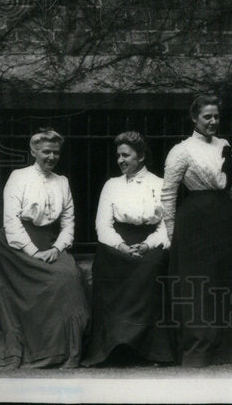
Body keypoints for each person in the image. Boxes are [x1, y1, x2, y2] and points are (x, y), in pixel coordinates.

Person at [0, 129, 89, 368]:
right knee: (38, 286)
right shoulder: (18, 177)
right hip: (15, 247)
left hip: (49, 243)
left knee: (69, 278)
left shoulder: (62, 182)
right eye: (46, 152)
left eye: (55, 153)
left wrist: (57, 248)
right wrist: (34, 252)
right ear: (33, 151)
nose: (51, 157)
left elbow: (68, 221)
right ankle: (26, 350)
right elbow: (11, 221)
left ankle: (67, 352)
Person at [160, 95, 232, 366]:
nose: (213, 122)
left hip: (222, 219)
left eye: (216, 117)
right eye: (207, 117)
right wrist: (172, 234)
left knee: (224, 280)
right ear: (195, 118)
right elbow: (168, 195)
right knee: (199, 284)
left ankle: (228, 350)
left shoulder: (225, 145)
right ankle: (199, 348)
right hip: (194, 223)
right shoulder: (181, 150)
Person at [84, 132, 173, 366]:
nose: (121, 160)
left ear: (141, 156)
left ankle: (148, 351)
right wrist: (122, 246)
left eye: (126, 155)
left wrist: (146, 245)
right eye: (118, 156)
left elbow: (166, 227)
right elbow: (102, 225)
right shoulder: (111, 185)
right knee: (104, 266)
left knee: (153, 268)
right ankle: (111, 349)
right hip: (116, 246)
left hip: (149, 243)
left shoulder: (160, 183)